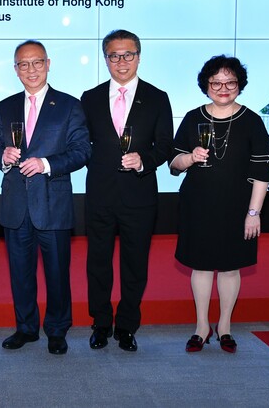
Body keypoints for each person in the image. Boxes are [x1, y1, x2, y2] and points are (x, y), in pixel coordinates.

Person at [0, 40, 91, 355]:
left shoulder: (69, 105)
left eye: (37, 62)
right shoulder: (5, 106)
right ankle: (26, 328)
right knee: (20, 273)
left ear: (48, 64)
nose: (31, 69)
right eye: (23, 64)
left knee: (57, 273)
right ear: (15, 69)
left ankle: (57, 331)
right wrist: (3, 156)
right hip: (16, 204)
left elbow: (82, 151)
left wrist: (46, 164)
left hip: (53, 204)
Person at [170, 55, 269, 354]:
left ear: (239, 85)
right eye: (216, 82)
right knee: (201, 267)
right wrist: (190, 157)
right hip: (197, 204)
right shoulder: (193, 117)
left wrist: (253, 213)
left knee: (230, 269)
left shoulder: (252, 121)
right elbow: (174, 164)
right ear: (206, 86)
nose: (223, 88)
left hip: (237, 207)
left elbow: (262, 174)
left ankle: (225, 326)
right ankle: (202, 326)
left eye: (230, 82)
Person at [82, 29, 173, 352]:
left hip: (139, 195)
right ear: (105, 58)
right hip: (100, 194)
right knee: (98, 263)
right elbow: (81, 144)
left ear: (138, 56)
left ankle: (127, 325)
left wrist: (144, 160)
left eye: (128, 54)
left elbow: (165, 146)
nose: (121, 62)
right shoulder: (90, 98)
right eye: (114, 55)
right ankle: (101, 323)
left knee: (135, 264)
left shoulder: (157, 97)